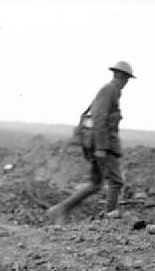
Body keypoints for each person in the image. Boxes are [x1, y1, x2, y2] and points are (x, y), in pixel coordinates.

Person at [47, 61, 135, 224]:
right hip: (103, 145)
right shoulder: (110, 90)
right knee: (116, 182)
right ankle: (109, 221)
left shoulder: (112, 91)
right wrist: (101, 147)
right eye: (125, 78)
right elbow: (99, 117)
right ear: (120, 76)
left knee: (95, 183)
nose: (125, 82)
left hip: (100, 144)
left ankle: (60, 209)